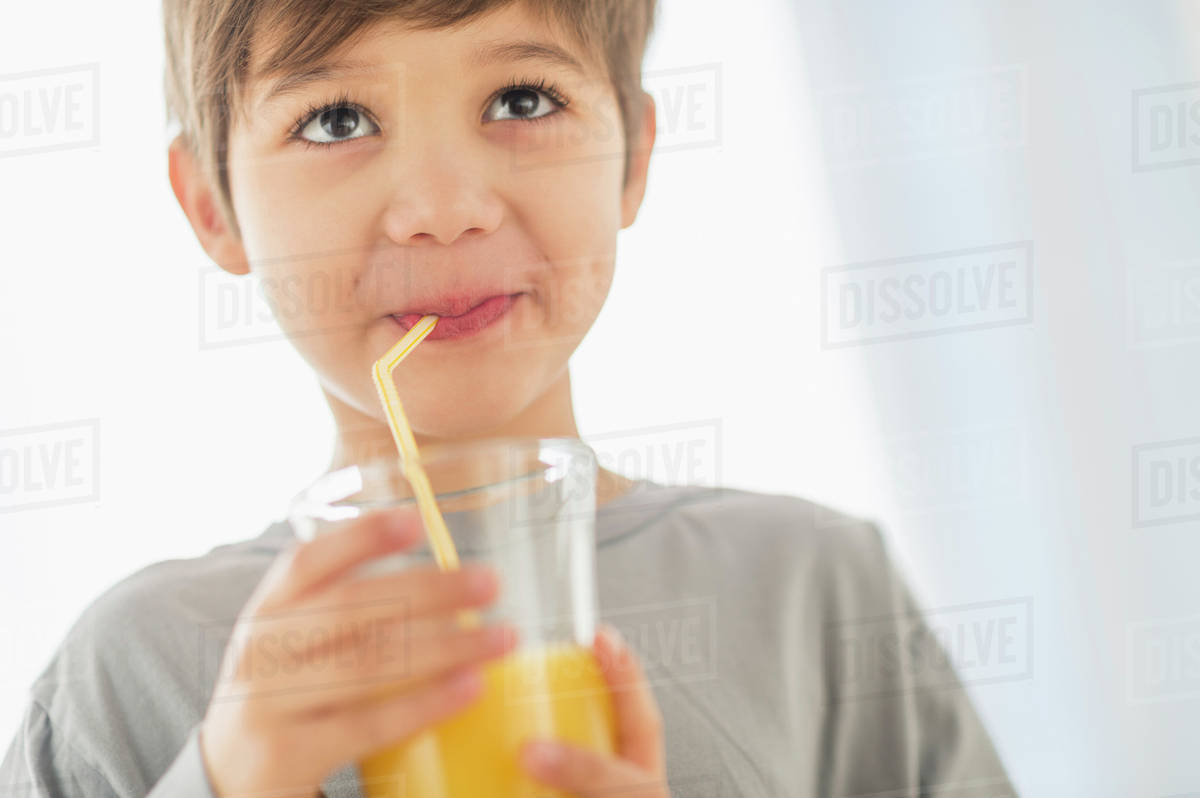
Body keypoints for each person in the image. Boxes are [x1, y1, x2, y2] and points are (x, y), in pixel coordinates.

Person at [0, 1, 1018, 796]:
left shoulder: (817, 591)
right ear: (212, 205)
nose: (444, 211)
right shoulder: (127, 675)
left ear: (634, 155)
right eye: (337, 118)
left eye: (522, 101)